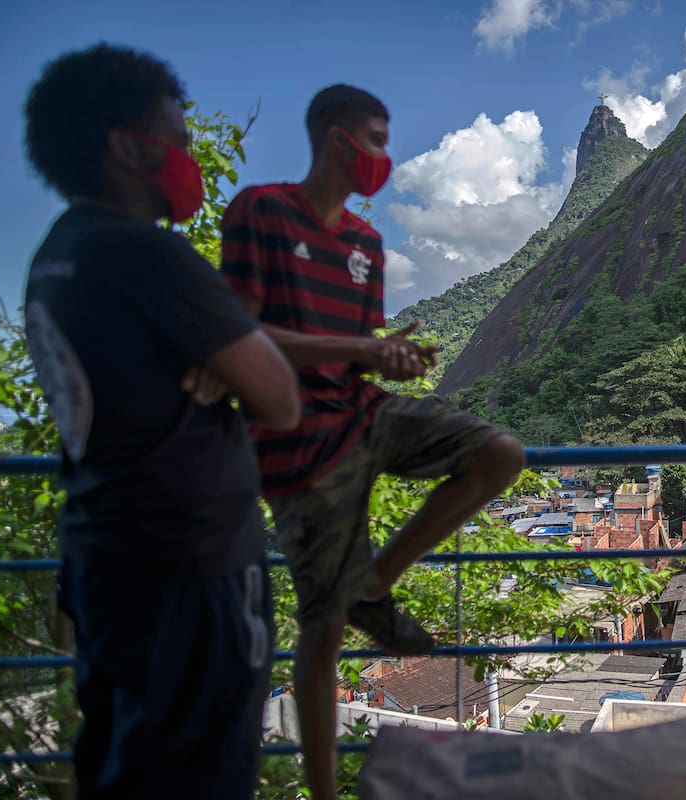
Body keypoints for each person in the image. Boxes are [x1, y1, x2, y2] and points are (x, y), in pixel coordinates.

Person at [220, 84, 526, 800]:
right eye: (379, 141)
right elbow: (238, 334)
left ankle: (373, 588)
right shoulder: (262, 211)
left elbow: (354, 351)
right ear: (338, 139)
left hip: (366, 409)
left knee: (500, 454)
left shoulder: (365, 244)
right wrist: (357, 345)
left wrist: (387, 355)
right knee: (320, 637)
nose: (385, 159)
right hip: (296, 437)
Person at [22, 44, 300, 798]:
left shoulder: (55, 257)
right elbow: (278, 397)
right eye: (177, 141)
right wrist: (234, 350)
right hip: (191, 572)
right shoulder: (148, 256)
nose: (187, 158)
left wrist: (223, 353)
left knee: (125, 765)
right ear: (125, 146)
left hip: (108, 562)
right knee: (201, 773)